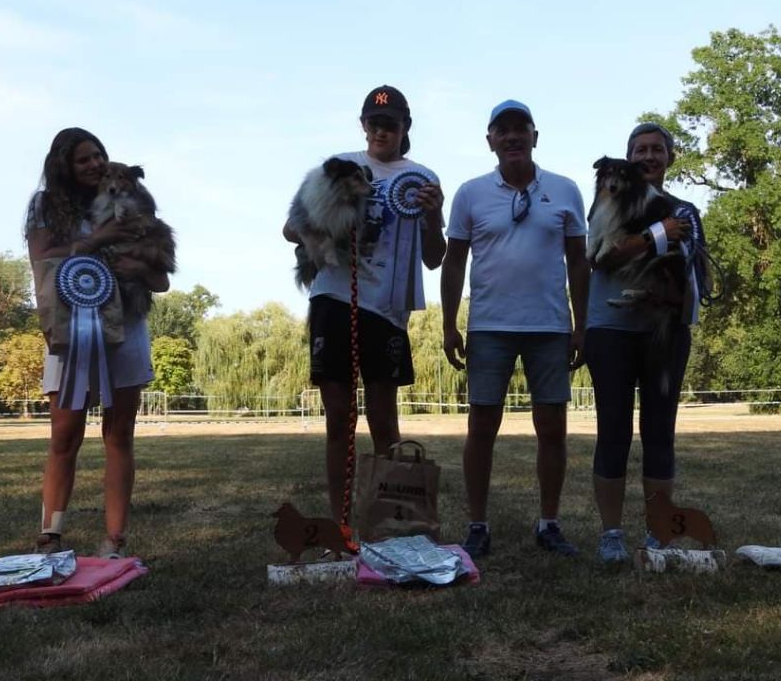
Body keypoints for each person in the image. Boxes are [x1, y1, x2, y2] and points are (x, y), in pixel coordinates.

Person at [283, 85, 445, 523]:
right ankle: (340, 521)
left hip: (388, 309)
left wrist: (433, 215)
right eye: (374, 123)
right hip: (335, 300)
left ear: (404, 127)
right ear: (363, 125)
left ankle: (389, 520)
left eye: (390, 123)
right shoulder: (339, 165)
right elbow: (290, 229)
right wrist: (332, 230)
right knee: (338, 419)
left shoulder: (424, 177)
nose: (381, 130)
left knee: (384, 421)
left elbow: (435, 257)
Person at [441, 100, 589, 558]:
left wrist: (581, 325)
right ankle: (477, 525)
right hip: (489, 327)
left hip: (549, 327)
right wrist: (449, 324)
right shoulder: (470, 193)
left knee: (553, 429)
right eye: (501, 131)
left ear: (535, 137)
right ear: (490, 141)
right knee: (481, 428)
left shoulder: (565, 190)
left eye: (519, 129)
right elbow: (453, 262)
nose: (511, 137)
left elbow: (579, 264)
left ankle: (549, 524)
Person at [25, 127, 171, 559]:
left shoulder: (131, 206)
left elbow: (160, 278)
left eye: (99, 158)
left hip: (126, 329)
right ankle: (50, 533)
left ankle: (115, 539)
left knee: (119, 435)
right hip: (72, 332)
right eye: (84, 159)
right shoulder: (46, 206)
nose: (95, 166)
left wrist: (134, 263)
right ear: (64, 165)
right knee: (64, 435)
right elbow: (42, 261)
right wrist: (99, 241)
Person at [585, 121, 707, 565]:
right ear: (628, 158)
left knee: (659, 432)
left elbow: (692, 278)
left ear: (670, 157)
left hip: (666, 331)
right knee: (612, 431)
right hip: (609, 330)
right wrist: (657, 235)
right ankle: (611, 534)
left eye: (657, 149)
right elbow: (602, 256)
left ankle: (659, 530)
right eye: (640, 150)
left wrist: (656, 259)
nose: (649, 157)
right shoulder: (606, 199)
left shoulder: (686, 211)